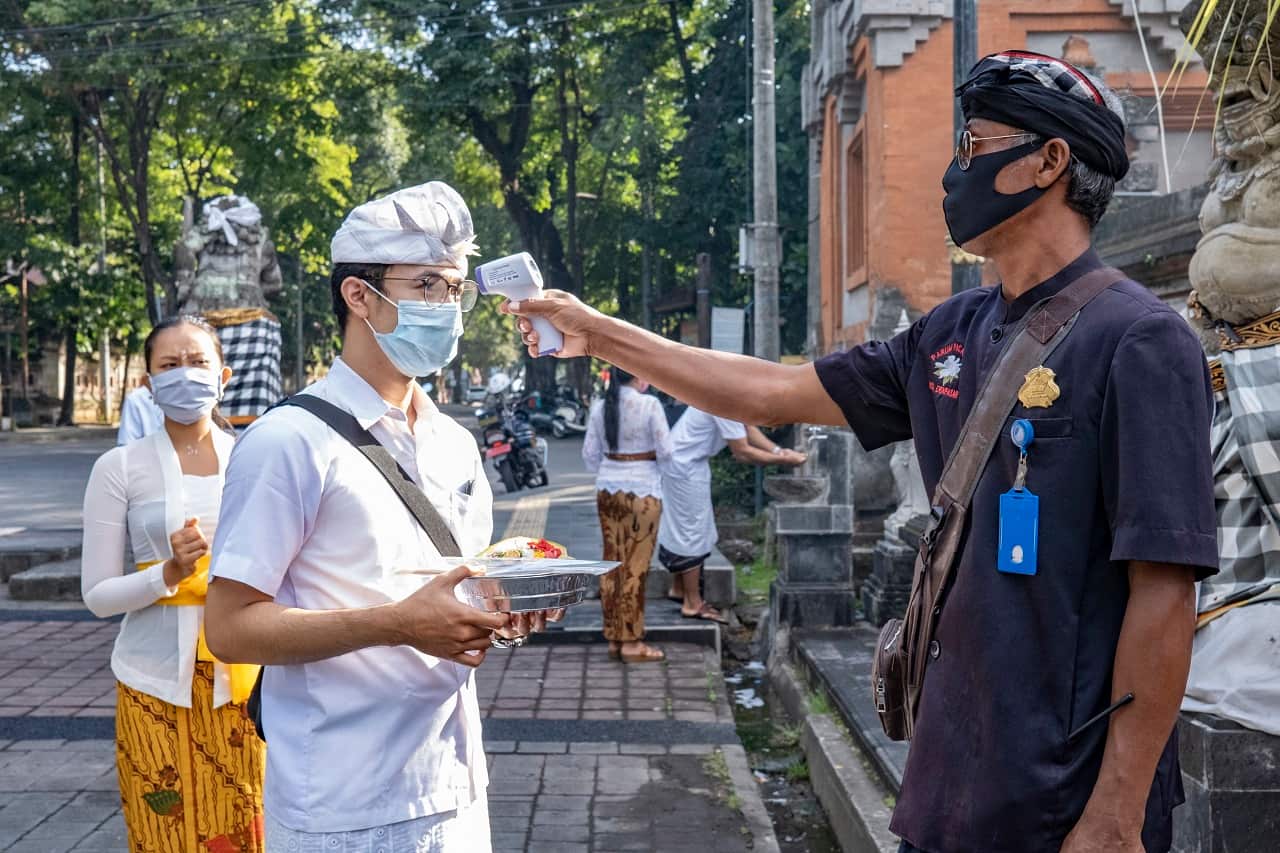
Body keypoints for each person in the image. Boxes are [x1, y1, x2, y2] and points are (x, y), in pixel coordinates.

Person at [508, 51, 1217, 853]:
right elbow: (767, 393)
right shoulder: (951, 333)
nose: (955, 173)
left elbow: (1164, 589)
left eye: (973, 148)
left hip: (1064, 801)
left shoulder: (1142, 341)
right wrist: (598, 332)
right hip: (947, 783)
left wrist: (1117, 814)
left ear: (1049, 161)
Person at [203, 181, 517, 852]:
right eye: (428, 283)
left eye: (455, 288)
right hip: (342, 808)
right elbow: (229, 627)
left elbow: (462, 583)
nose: (447, 307)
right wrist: (397, 623)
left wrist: (504, 604)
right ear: (359, 295)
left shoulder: (454, 442)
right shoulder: (288, 442)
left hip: (455, 784)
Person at [81, 316, 265, 852]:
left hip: (245, 680)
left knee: (250, 827)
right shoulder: (119, 468)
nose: (184, 375)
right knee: (163, 833)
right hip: (152, 681)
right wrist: (167, 575)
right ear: (148, 382)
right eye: (169, 365)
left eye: (198, 362)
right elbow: (97, 595)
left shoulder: (256, 459)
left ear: (224, 375)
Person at [659, 411, 805, 622]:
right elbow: (742, 452)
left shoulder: (726, 397)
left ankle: (680, 589)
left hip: (684, 464)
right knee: (691, 531)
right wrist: (784, 460)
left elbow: (747, 427)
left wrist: (778, 450)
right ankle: (693, 603)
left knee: (687, 527)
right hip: (684, 468)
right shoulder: (723, 401)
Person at [582, 366, 673, 662]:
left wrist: (612, 469)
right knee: (636, 566)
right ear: (637, 376)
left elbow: (590, 455)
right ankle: (632, 642)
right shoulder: (650, 405)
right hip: (644, 490)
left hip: (608, 489)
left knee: (612, 563)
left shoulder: (599, 407)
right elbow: (667, 451)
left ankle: (614, 638)